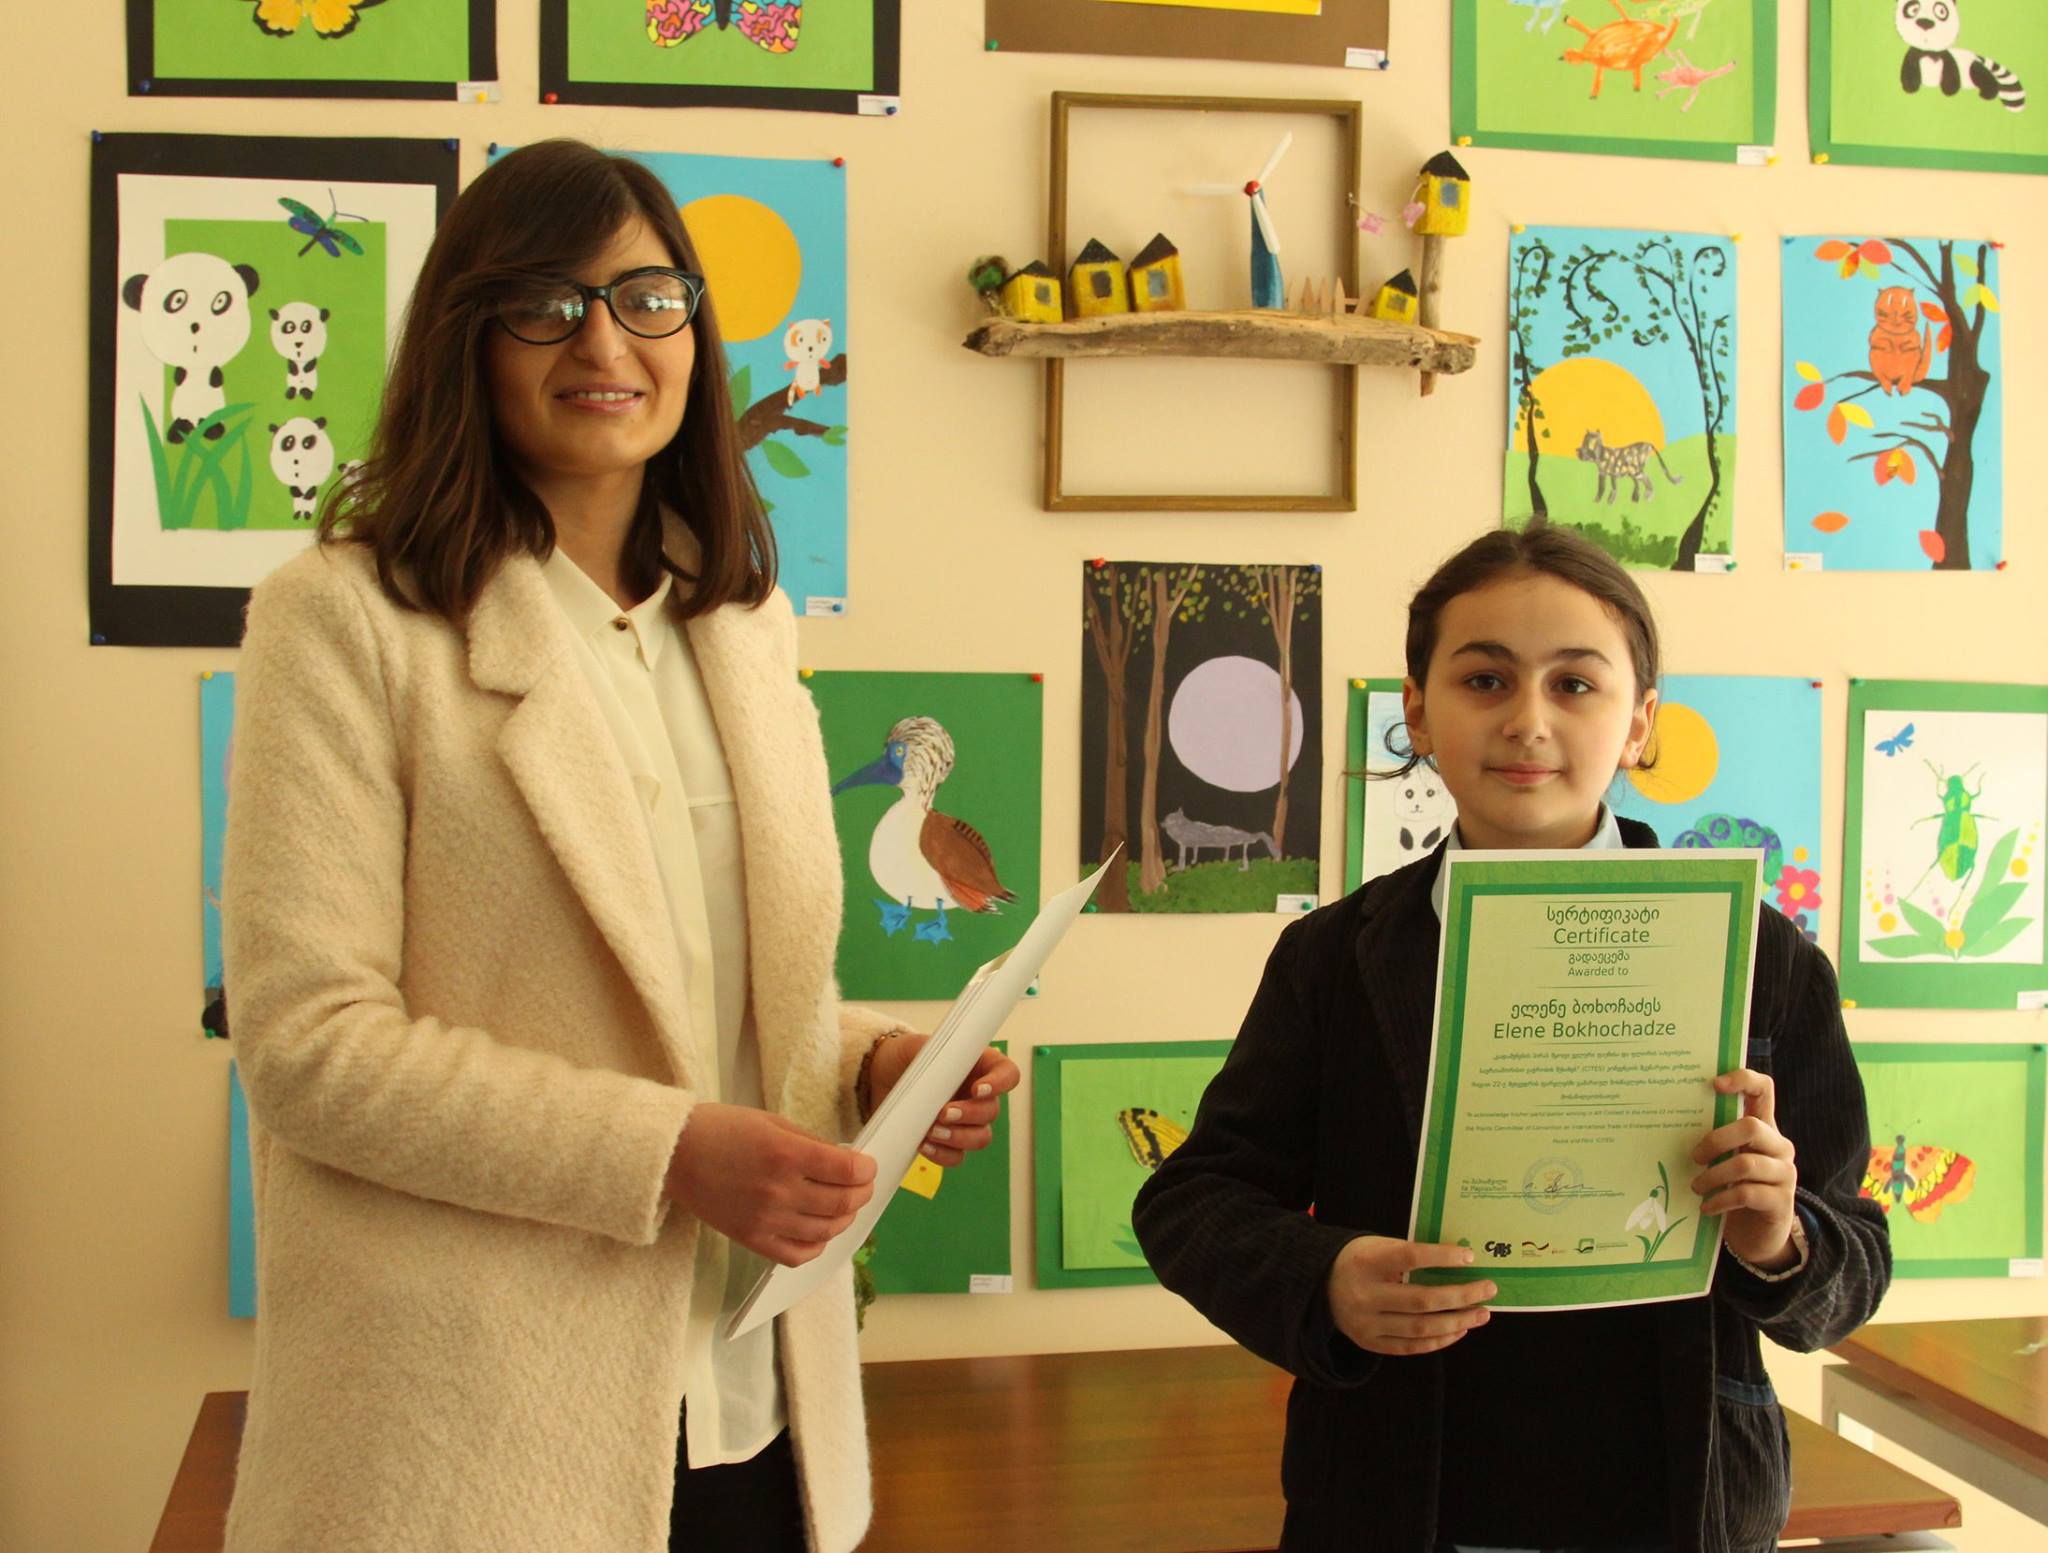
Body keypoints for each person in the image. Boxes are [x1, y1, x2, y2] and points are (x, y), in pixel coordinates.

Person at [220, 139, 1018, 1553]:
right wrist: (671, 1151)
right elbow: (310, 1047)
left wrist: (870, 1063)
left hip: (755, 1403)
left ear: (695, 335)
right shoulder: (343, 618)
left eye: (647, 298)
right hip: (468, 1433)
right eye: (547, 302)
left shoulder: (741, 622)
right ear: (469, 334)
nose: (604, 342)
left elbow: (699, 986)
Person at [1132, 524, 1890, 1553]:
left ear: (1640, 722)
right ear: (1417, 711)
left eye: (1574, 684)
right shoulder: (1331, 957)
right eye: (1484, 679)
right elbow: (1192, 1200)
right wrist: (1325, 1276)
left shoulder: (1761, 955)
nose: (1528, 721)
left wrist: (1777, 1237)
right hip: (1394, 1499)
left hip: (1673, 1500)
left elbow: (1853, 1263)